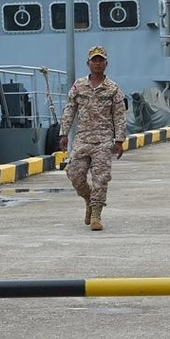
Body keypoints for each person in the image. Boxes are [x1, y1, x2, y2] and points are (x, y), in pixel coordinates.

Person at [59, 45, 127, 231]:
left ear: (106, 63)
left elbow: (119, 116)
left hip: (104, 141)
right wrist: (63, 133)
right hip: (83, 139)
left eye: (101, 60)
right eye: (94, 60)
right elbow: (70, 109)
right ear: (88, 63)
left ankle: (96, 213)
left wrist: (119, 140)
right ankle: (88, 199)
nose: (98, 63)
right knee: (74, 174)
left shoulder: (112, 89)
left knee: (100, 178)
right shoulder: (79, 86)